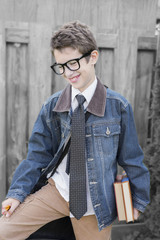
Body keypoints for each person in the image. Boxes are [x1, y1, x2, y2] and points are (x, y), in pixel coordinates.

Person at [0, 21, 150, 240]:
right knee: (4, 231)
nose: (67, 73)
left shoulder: (118, 107)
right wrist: (16, 194)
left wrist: (137, 200)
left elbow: (132, 158)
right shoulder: (52, 106)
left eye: (73, 63)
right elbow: (36, 155)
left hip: (96, 202)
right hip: (57, 192)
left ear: (93, 57)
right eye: (60, 66)